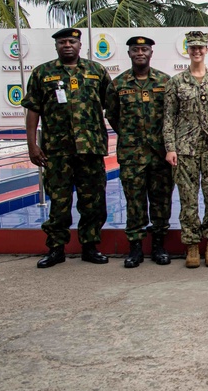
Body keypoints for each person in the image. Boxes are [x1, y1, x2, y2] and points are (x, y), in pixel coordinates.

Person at [24, 28, 112, 268]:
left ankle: (90, 246)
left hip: (91, 149)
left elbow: (112, 107)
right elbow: (33, 110)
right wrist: (32, 145)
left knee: (93, 200)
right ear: (56, 46)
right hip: (56, 151)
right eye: (62, 42)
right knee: (59, 200)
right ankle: (55, 249)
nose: (67, 46)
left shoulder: (96, 72)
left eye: (71, 41)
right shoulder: (43, 73)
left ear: (79, 45)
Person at [163, 31, 208, 269]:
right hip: (185, 149)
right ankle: (192, 245)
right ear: (188, 51)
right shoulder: (176, 82)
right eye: (193, 48)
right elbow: (169, 118)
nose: (197, 51)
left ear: (207, 49)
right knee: (188, 200)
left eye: (200, 47)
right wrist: (170, 148)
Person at [104, 36, 173, 268]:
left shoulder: (165, 81)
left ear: (151, 53)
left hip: (159, 153)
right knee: (134, 202)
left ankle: (159, 246)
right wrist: (131, 136)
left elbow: (172, 116)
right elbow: (112, 116)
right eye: (136, 49)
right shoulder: (118, 84)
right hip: (132, 154)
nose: (140, 53)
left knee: (161, 201)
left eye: (144, 49)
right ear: (130, 53)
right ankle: (135, 249)